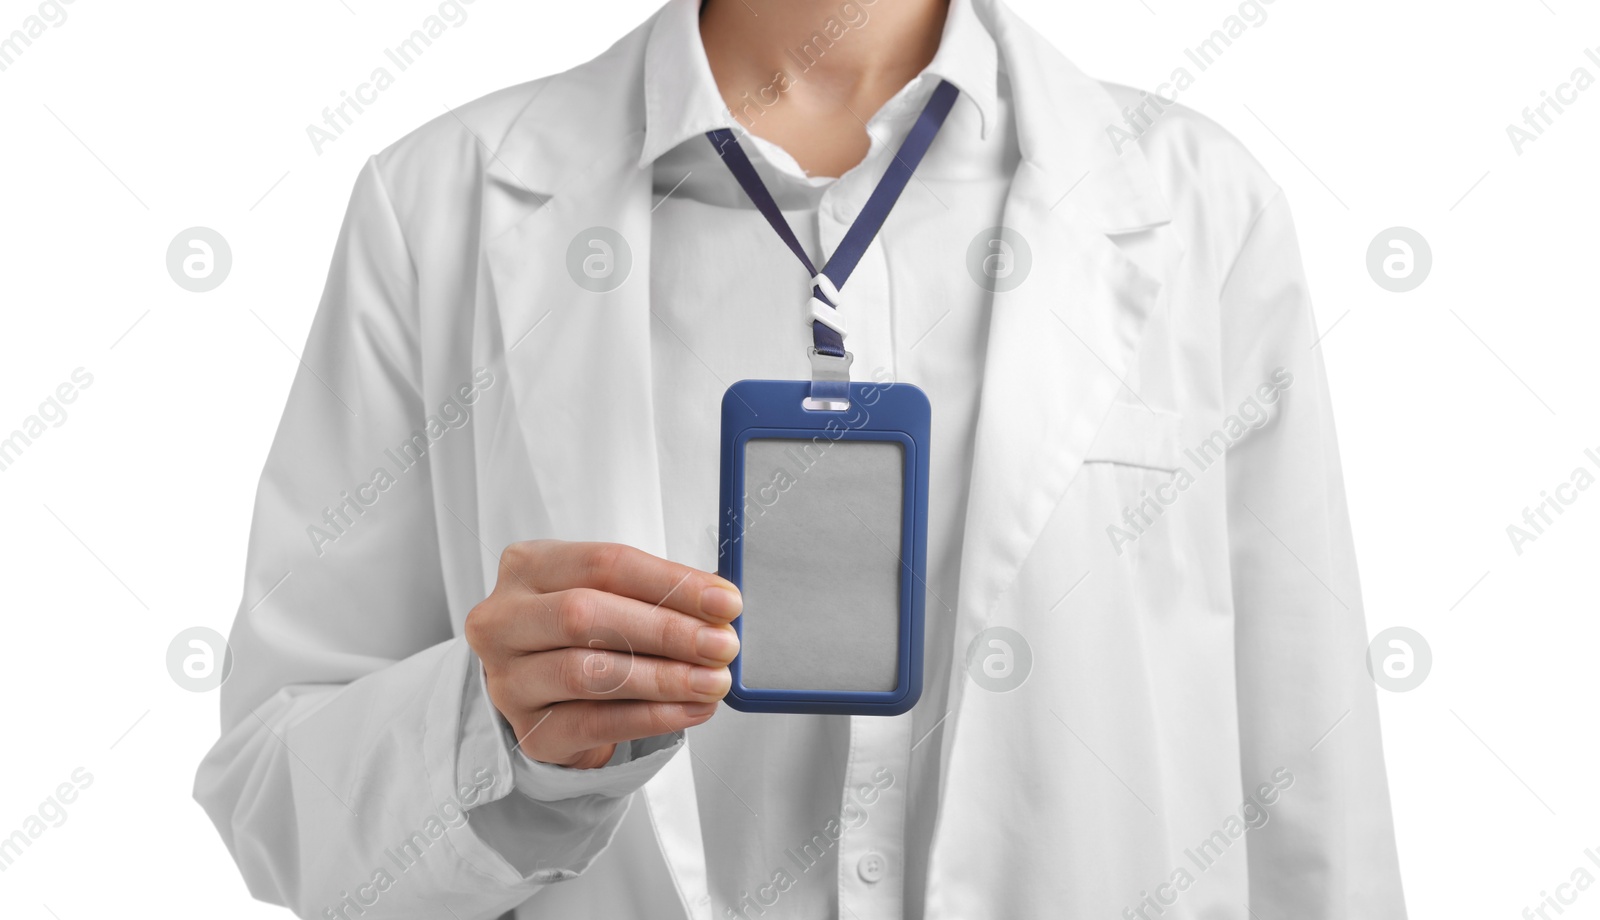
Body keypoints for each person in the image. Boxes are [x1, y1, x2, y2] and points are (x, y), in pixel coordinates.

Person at [193, 0, 1407, 917]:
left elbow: (1308, 783)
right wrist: (493, 727)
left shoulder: (1198, 207)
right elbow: (273, 793)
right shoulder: (440, 205)